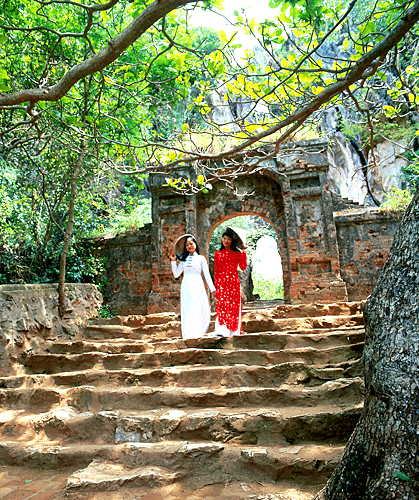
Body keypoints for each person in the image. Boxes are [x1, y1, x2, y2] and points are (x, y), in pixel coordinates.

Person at [170, 234, 216, 340]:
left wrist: (213, 289)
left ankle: (197, 332)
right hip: (186, 285)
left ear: (195, 244)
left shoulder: (201, 259)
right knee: (187, 308)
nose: (189, 246)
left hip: (198, 285)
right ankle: (188, 334)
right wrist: (173, 261)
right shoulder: (183, 260)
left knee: (197, 308)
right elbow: (176, 274)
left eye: (191, 244)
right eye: (187, 245)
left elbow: (207, 275)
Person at [214, 227, 248, 337]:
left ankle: (234, 331)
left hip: (233, 283)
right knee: (223, 305)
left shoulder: (237, 253)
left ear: (232, 241)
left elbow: (243, 267)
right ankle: (222, 331)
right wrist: (215, 288)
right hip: (222, 283)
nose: (226, 241)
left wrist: (244, 253)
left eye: (228, 239)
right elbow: (217, 271)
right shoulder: (217, 254)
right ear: (222, 239)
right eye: (224, 238)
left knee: (233, 306)